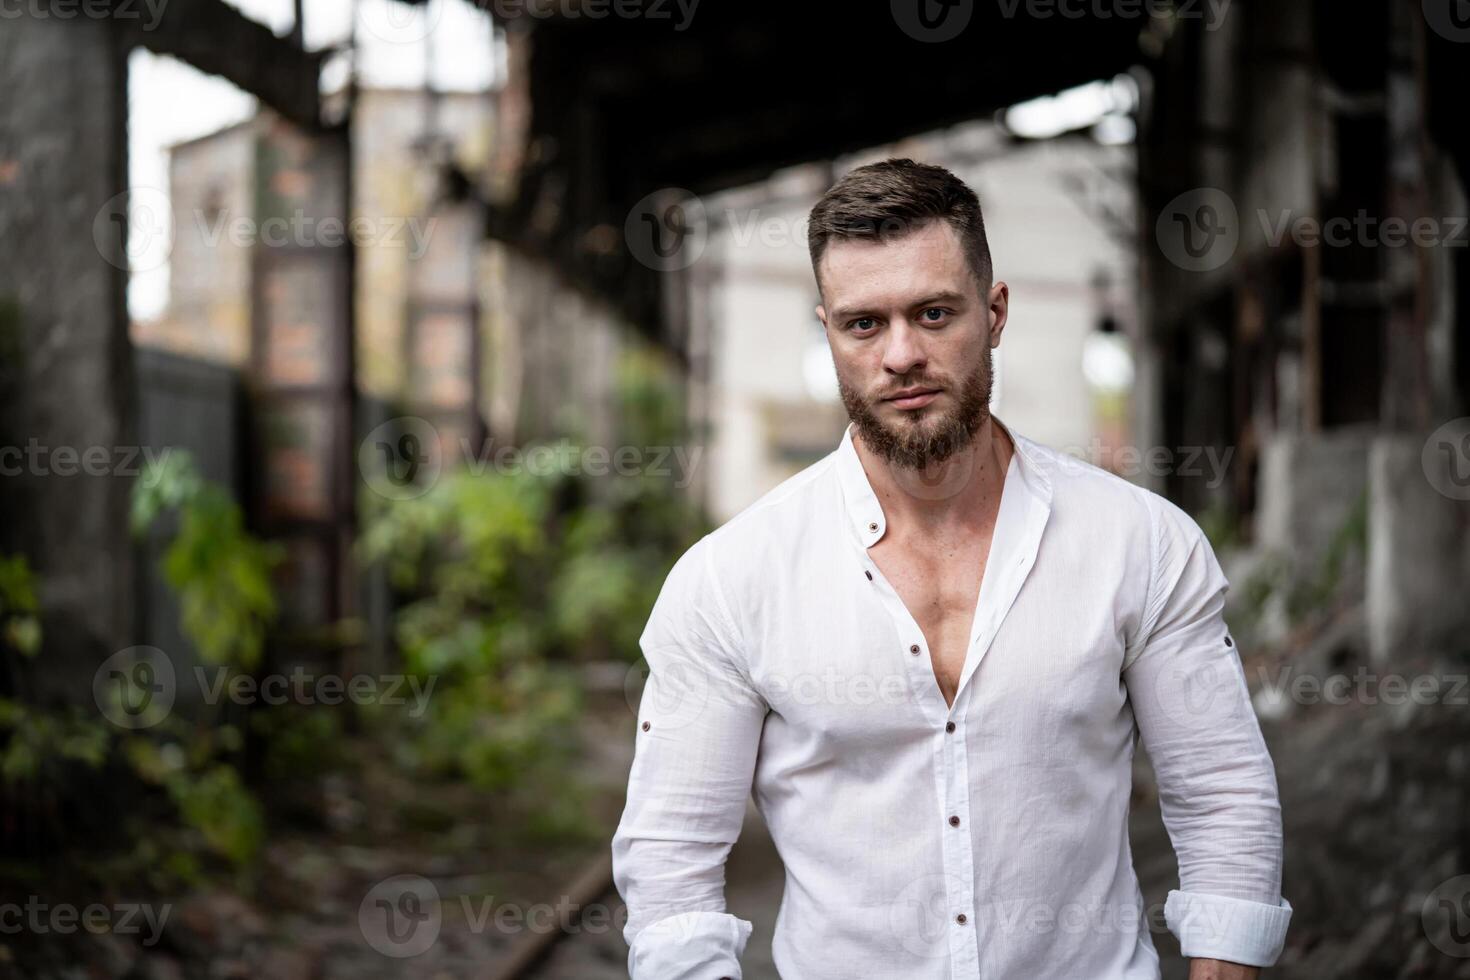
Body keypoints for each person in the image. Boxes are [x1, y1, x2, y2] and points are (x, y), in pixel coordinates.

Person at [611, 157, 1291, 979]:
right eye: (864, 324)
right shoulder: (729, 580)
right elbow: (672, 865)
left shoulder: (1139, 544)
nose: (901, 355)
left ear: (995, 312)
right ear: (826, 329)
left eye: (934, 314)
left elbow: (1221, 793)